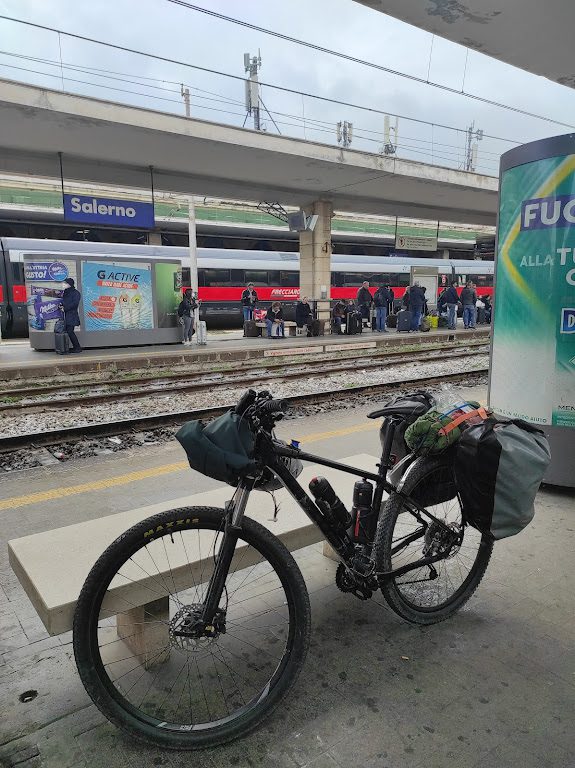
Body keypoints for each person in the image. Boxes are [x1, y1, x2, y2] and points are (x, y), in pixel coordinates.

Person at [59, 277, 82, 353]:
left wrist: (65, 308)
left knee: (70, 331)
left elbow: (74, 304)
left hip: (72, 315)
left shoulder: (76, 293)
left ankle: (77, 348)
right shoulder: (66, 292)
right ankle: (75, 347)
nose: (63, 284)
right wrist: (61, 305)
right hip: (66, 315)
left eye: (65, 283)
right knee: (69, 331)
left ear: (70, 284)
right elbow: (65, 301)